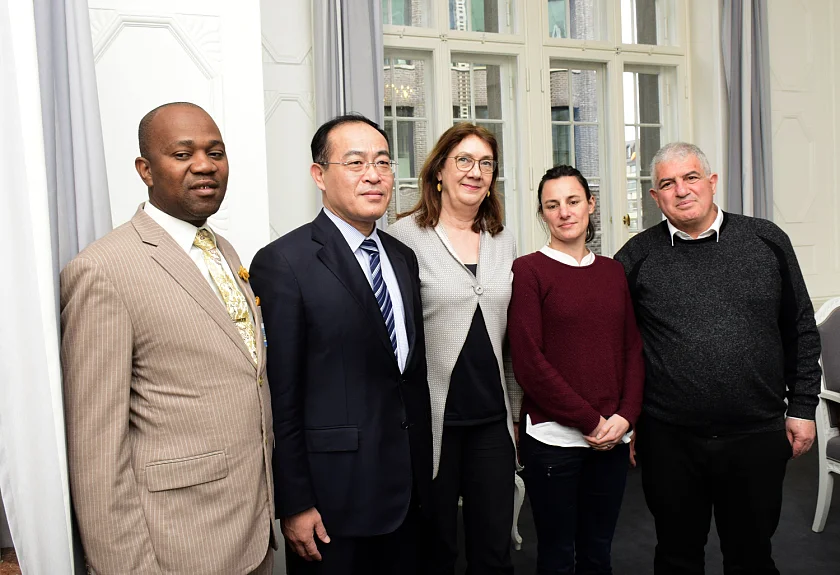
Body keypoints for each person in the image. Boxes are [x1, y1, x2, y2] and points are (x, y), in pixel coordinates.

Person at [60, 102, 276, 574]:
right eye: (182, 154)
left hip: (252, 536)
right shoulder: (102, 270)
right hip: (176, 547)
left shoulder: (222, 249)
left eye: (215, 152)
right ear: (145, 170)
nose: (204, 165)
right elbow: (96, 453)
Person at [614, 142, 822, 574]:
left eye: (691, 178)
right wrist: (627, 418)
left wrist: (803, 407)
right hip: (669, 440)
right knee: (676, 556)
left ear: (711, 182)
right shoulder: (635, 256)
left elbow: (800, 326)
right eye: (667, 183)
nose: (681, 190)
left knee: (751, 557)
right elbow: (617, 346)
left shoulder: (766, 239)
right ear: (655, 196)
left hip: (756, 434)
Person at [249, 114, 432, 575]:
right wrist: (295, 501)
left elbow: (406, 374)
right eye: (355, 163)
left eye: (383, 162)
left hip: (408, 490)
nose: (374, 175)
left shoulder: (402, 257)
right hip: (333, 500)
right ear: (319, 175)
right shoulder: (283, 262)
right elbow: (281, 395)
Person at [388, 122, 521, 575]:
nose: (475, 172)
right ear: (439, 171)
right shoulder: (403, 237)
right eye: (463, 160)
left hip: (492, 421)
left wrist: (516, 412)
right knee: (436, 549)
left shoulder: (503, 239)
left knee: (494, 552)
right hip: (433, 423)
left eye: (486, 163)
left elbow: (510, 336)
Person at [507, 165, 645, 575]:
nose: (564, 212)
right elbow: (529, 363)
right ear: (542, 214)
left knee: (598, 552)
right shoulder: (528, 270)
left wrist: (625, 417)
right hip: (554, 440)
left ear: (590, 204)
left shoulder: (613, 271)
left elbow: (632, 349)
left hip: (613, 438)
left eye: (572, 201)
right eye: (552, 205)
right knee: (556, 556)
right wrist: (592, 421)